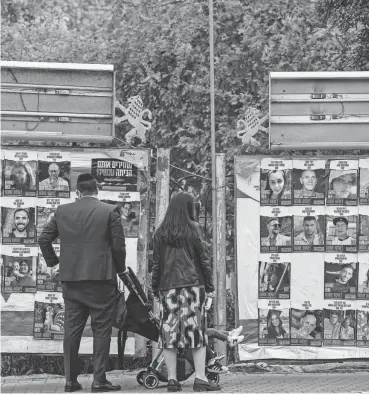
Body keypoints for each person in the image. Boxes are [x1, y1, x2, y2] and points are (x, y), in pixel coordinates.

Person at [38, 173, 127, 393]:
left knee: (72, 330)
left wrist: (55, 262)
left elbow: (43, 239)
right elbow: (118, 247)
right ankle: (98, 381)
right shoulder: (110, 211)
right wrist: (121, 270)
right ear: (97, 190)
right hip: (101, 280)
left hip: (71, 281)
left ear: (77, 192)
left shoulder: (62, 211)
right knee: (102, 330)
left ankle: (70, 381)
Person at [152, 192, 221, 392]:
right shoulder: (194, 229)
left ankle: (172, 380)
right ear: (188, 208)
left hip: (168, 289)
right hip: (193, 288)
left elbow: (156, 264)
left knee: (169, 334)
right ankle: (200, 379)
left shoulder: (160, 233)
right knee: (196, 334)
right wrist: (209, 287)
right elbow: (204, 260)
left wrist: (155, 289)